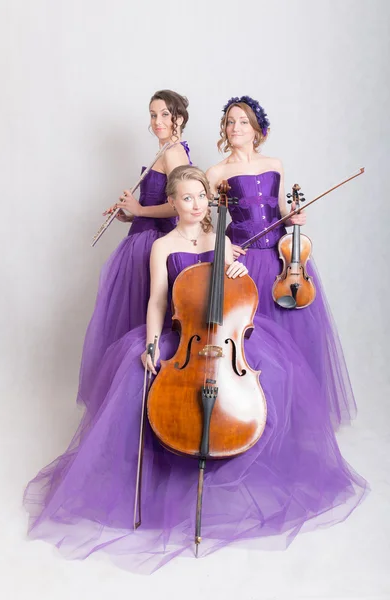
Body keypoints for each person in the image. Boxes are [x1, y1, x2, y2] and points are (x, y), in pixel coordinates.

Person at [24, 165, 367, 574]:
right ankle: (164, 469)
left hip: (221, 339)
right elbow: (156, 301)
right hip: (181, 336)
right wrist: (152, 343)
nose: (195, 204)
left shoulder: (218, 238)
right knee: (138, 380)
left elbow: (232, 296)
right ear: (173, 203)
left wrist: (235, 270)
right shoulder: (163, 246)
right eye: (186, 198)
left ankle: (236, 456)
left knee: (272, 376)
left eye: (200, 197)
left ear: (209, 200)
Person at [206, 96, 356, 428]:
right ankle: (254, 417)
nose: (235, 128)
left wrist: (293, 216)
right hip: (246, 261)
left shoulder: (274, 163)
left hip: (282, 261)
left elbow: (279, 210)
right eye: (230, 121)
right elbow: (203, 222)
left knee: (293, 338)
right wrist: (223, 245)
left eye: (243, 121)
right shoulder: (216, 171)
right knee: (253, 341)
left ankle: (291, 419)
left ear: (257, 128)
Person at [78, 90, 192, 412]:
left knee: (148, 323)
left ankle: (150, 408)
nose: (157, 121)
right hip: (142, 238)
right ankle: (133, 410)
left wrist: (141, 210)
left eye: (165, 115)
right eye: (153, 115)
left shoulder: (174, 154)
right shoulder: (164, 151)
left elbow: (177, 206)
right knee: (137, 323)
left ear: (178, 119)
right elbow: (155, 203)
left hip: (154, 244)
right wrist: (130, 212)